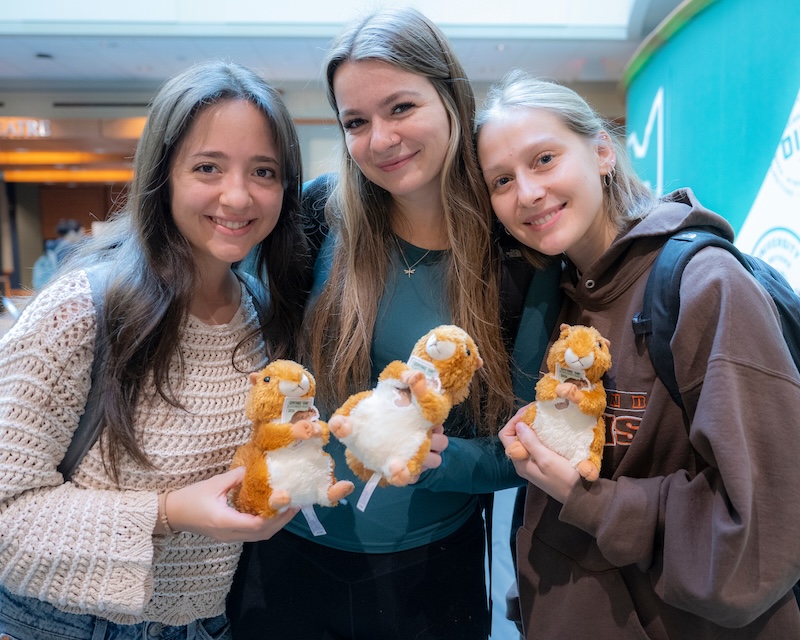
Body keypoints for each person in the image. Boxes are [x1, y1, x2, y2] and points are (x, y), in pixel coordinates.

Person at [226, 8, 561, 640]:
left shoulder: (517, 253)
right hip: (286, 548)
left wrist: (440, 456)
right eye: (356, 121)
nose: (380, 139)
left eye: (401, 107)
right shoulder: (317, 217)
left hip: (433, 569)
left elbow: (521, 449)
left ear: (450, 100)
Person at [476, 70, 800, 639]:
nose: (526, 193)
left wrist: (587, 500)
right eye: (502, 180)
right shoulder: (557, 299)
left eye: (544, 159)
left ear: (602, 151)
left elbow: (762, 533)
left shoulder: (704, 287)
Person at [0, 60, 309, 640]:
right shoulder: (81, 311)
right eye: (207, 167)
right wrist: (170, 514)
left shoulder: (263, 317)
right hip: (64, 625)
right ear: (162, 176)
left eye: (263, 171)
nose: (237, 196)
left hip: (206, 623)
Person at [31, 218, 85, 289]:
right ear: (72, 233)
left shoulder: (54, 247)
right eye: (80, 234)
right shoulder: (68, 249)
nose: (82, 237)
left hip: (50, 287)